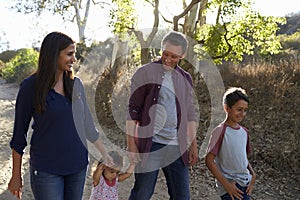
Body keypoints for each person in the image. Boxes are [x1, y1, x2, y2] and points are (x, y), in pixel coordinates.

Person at [8, 31, 112, 200]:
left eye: (74, 54)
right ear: (53, 54)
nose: (74, 59)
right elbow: (19, 135)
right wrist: (16, 175)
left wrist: (104, 154)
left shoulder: (76, 84)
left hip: (77, 166)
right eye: (69, 54)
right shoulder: (30, 87)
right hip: (46, 169)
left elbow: (87, 125)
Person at [126, 31, 198, 200]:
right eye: (165, 53)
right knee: (142, 194)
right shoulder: (145, 73)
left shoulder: (185, 78)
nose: (168, 59)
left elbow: (189, 113)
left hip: (176, 146)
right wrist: (131, 145)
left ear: (182, 55)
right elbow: (132, 110)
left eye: (174, 56)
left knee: (182, 196)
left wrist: (193, 144)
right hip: (151, 145)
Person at [205, 87, 256, 200]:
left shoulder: (244, 132)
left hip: (245, 184)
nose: (242, 114)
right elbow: (209, 161)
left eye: (245, 110)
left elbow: (243, 158)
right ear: (227, 108)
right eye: (239, 109)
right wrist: (227, 185)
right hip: (230, 187)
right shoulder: (220, 131)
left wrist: (253, 175)